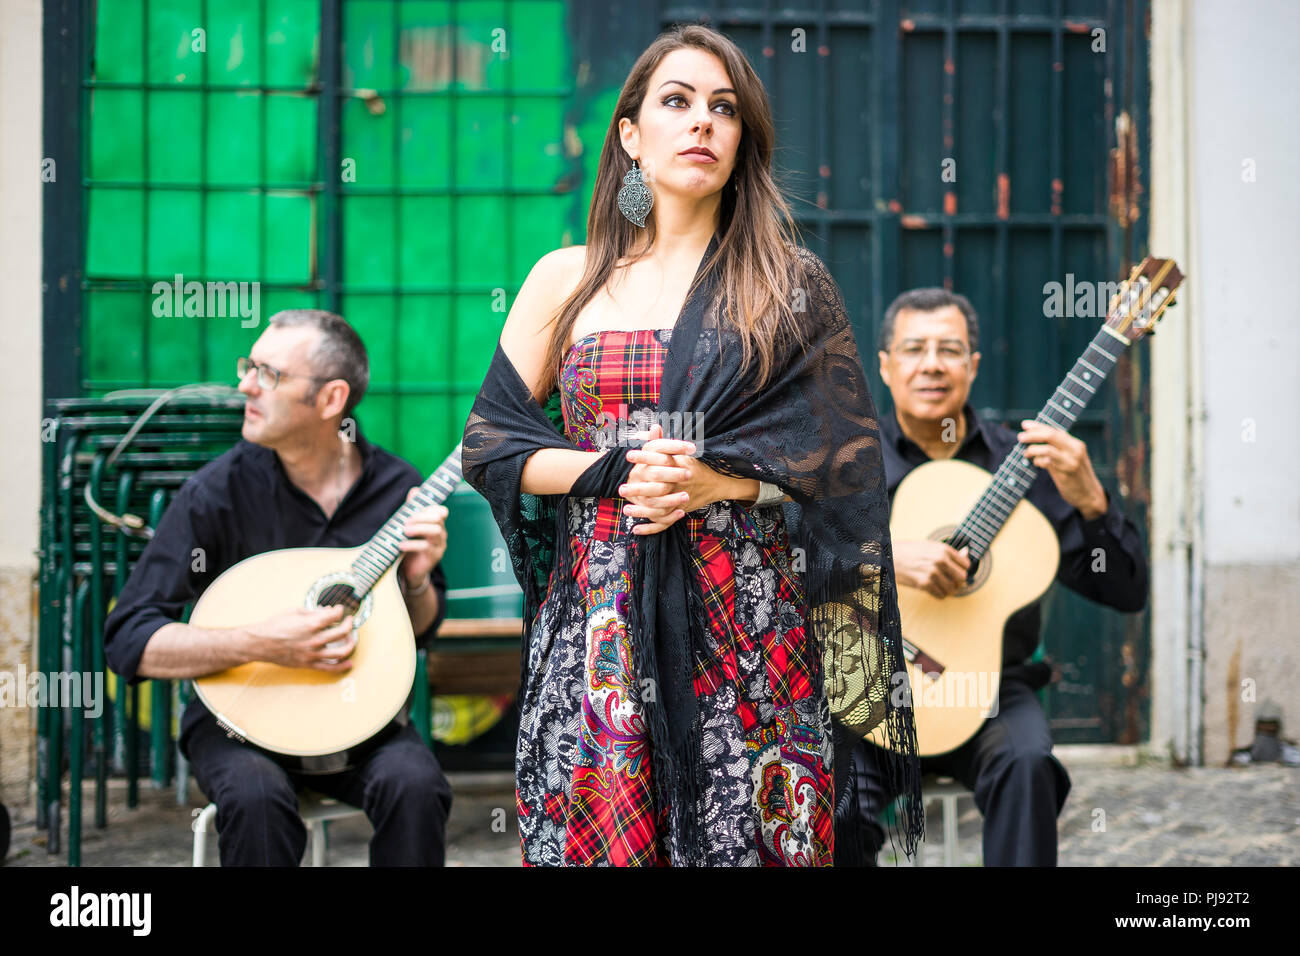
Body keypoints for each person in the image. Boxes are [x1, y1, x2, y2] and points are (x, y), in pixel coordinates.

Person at [462, 24, 922, 867]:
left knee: (748, 835)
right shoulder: (567, 278)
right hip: (603, 619)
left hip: (746, 619)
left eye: (724, 107)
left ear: (743, 138)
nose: (702, 122)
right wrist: (620, 469)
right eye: (677, 102)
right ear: (631, 135)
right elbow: (491, 446)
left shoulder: (786, 284)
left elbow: (841, 468)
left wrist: (718, 484)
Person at [104, 309, 454, 866]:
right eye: (249, 366)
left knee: (417, 786)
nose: (244, 384)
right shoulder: (216, 493)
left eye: (268, 373)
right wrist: (262, 643)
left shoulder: (400, 490)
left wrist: (413, 580)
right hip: (241, 723)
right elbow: (129, 639)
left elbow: (420, 629)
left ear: (331, 399)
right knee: (256, 799)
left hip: (360, 721)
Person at [834, 288, 1149, 866]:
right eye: (914, 349)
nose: (932, 364)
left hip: (988, 693)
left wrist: (1093, 501)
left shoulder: (1027, 464)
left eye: (950, 350)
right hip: (866, 685)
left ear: (973, 365)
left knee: (1029, 764)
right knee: (832, 804)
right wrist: (882, 558)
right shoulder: (845, 461)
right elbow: (787, 563)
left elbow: (1125, 592)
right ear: (884, 364)